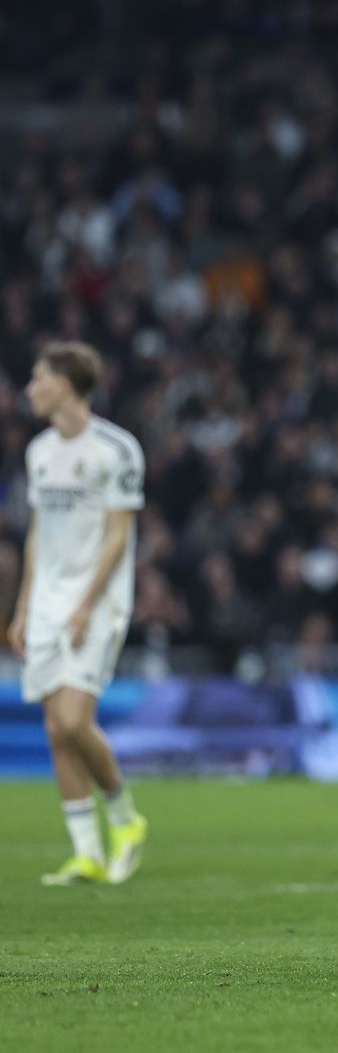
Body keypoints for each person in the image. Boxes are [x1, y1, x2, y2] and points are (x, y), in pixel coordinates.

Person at [9, 341, 150, 885]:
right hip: (46, 599)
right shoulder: (40, 451)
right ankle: (87, 851)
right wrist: (23, 606)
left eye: (37, 378)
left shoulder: (116, 449)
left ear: (64, 384)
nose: (30, 389)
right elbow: (39, 532)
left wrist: (87, 603)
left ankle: (126, 817)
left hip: (99, 598)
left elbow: (119, 534)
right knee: (55, 729)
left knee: (74, 719)